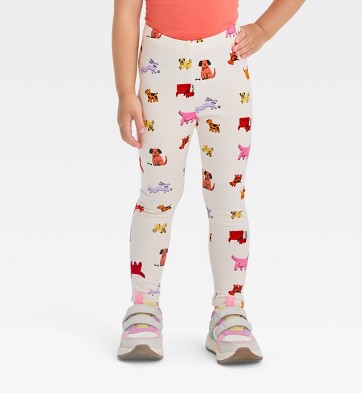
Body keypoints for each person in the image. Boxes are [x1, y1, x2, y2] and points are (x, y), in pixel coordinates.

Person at [112, 0, 305, 364]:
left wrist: (263, 30)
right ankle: (143, 306)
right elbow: (126, 12)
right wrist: (125, 91)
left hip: (226, 67)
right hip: (161, 69)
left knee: (228, 199)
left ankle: (229, 311)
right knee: (157, 196)